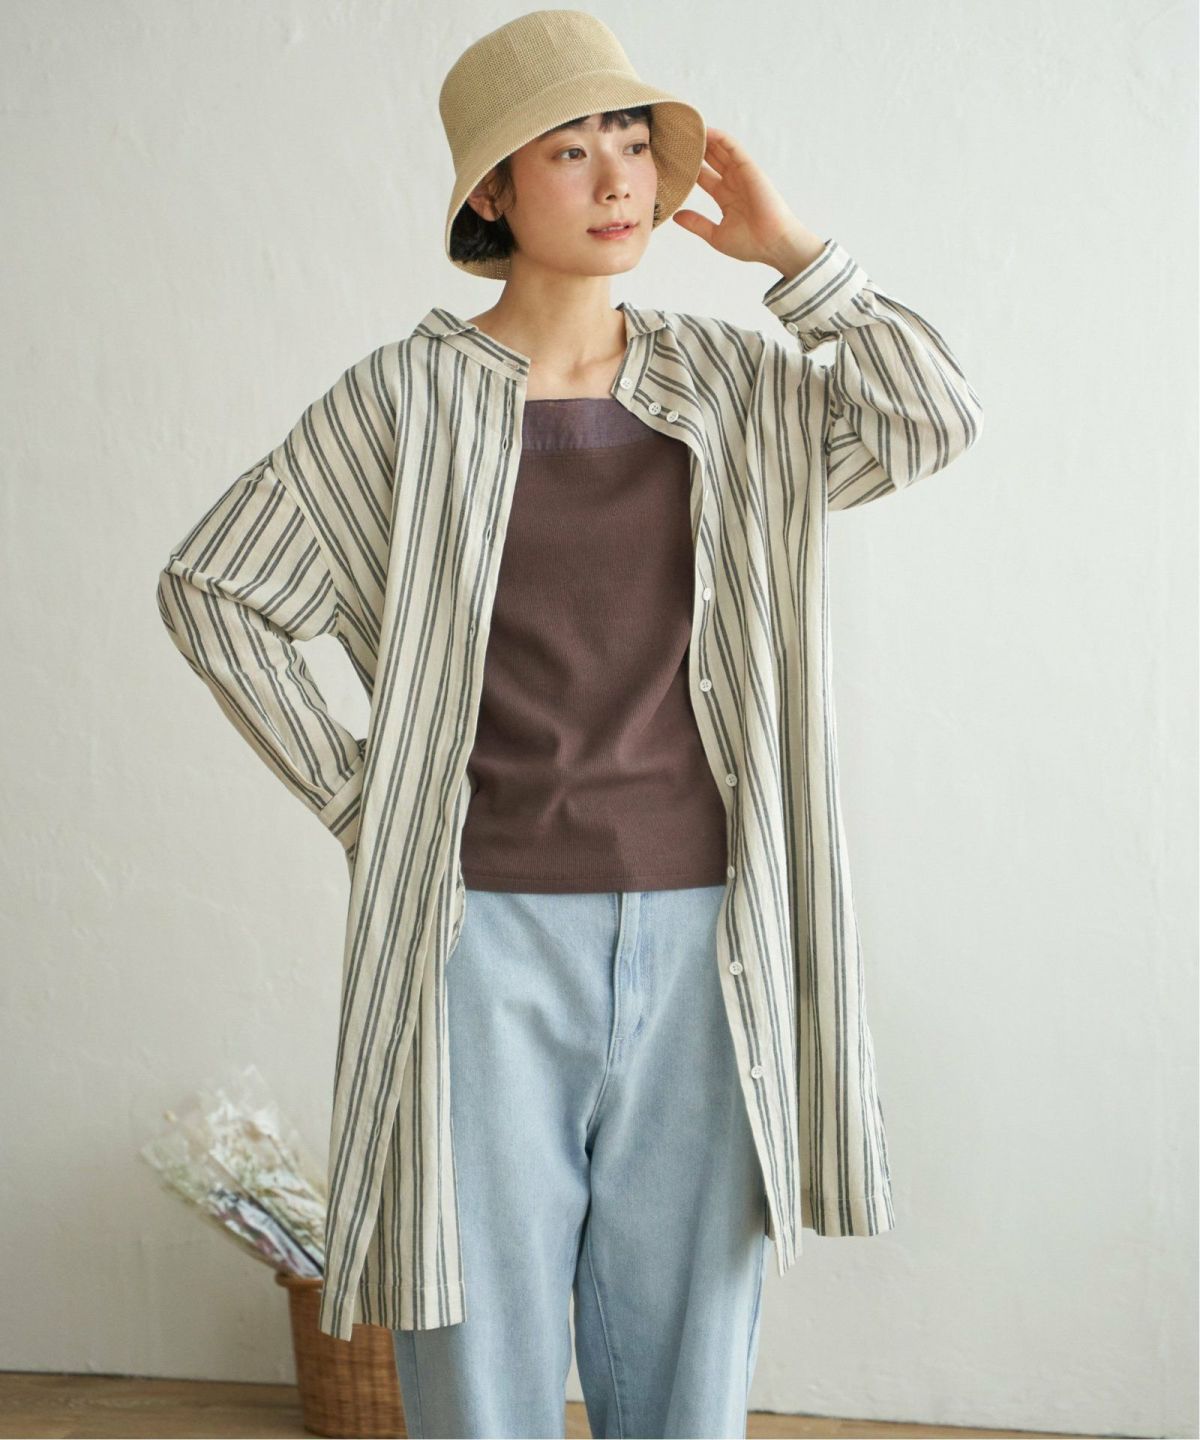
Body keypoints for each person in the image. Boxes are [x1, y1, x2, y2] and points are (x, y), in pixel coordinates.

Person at [155, 10, 984, 1438]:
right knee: (477, 1358)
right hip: (480, 942)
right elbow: (214, 590)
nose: (618, 181)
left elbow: (931, 419)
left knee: (689, 1363)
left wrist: (796, 258)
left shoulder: (733, 389)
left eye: (634, 145)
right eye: (568, 151)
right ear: (492, 189)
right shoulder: (406, 403)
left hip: (710, 933)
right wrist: (368, 799)